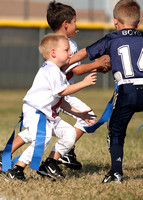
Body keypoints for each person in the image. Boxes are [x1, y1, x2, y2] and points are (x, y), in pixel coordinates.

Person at [0, 0, 110, 173]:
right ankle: (48, 159)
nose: (76, 26)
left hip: (56, 96)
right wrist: (96, 65)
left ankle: (8, 155)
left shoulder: (57, 45)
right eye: (75, 22)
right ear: (66, 24)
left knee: (39, 130)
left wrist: (96, 67)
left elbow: (67, 72)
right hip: (56, 95)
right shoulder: (64, 46)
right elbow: (73, 69)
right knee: (41, 133)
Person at [69, 0, 143, 183]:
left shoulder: (112, 39)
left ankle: (116, 172)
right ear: (139, 23)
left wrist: (64, 62)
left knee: (116, 131)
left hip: (127, 90)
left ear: (115, 21)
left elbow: (83, 53)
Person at [6, 33, 97, 180]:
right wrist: (84, 83)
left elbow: (61, 100)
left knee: (70, 133)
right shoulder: (51, 70)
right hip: (37, 112)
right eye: (66, 50)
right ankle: (17, 169)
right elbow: (62, 91)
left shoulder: (57, 72)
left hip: (48, 115)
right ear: (53, 53)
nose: (70, 53)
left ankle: (49, 163)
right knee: (43, 137)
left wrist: (80, 114)